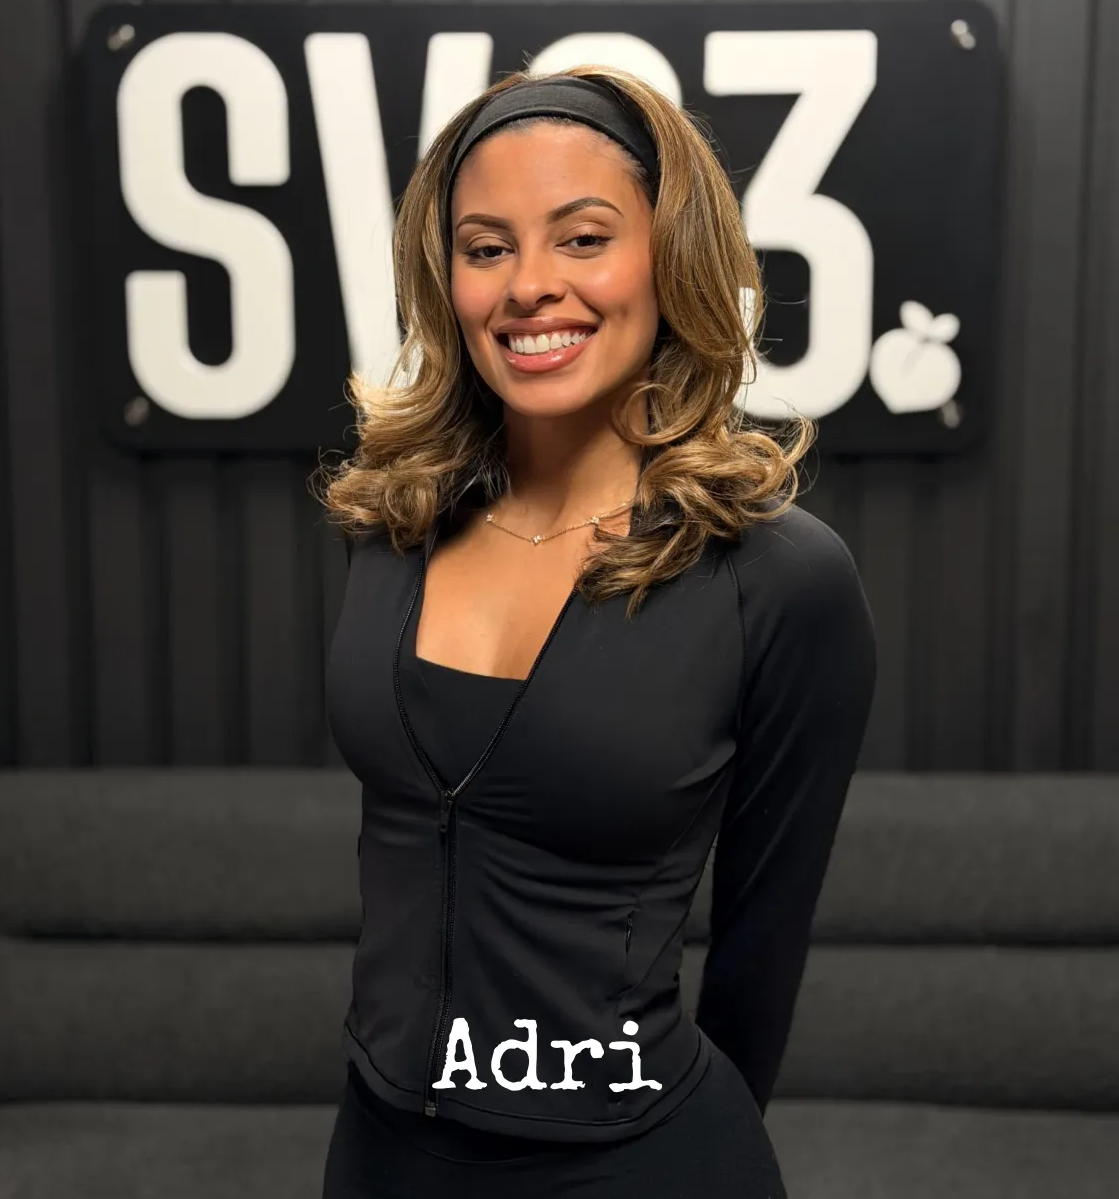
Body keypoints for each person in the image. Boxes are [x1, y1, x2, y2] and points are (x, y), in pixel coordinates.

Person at [317, 66, 876, 1197]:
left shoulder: (778, 579)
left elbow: (761, 952)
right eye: (486, 247)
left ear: (671, 257)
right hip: (379, 1150)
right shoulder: (393, 525)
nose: (530, 286)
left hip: (637, 1163)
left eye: (583, 239)